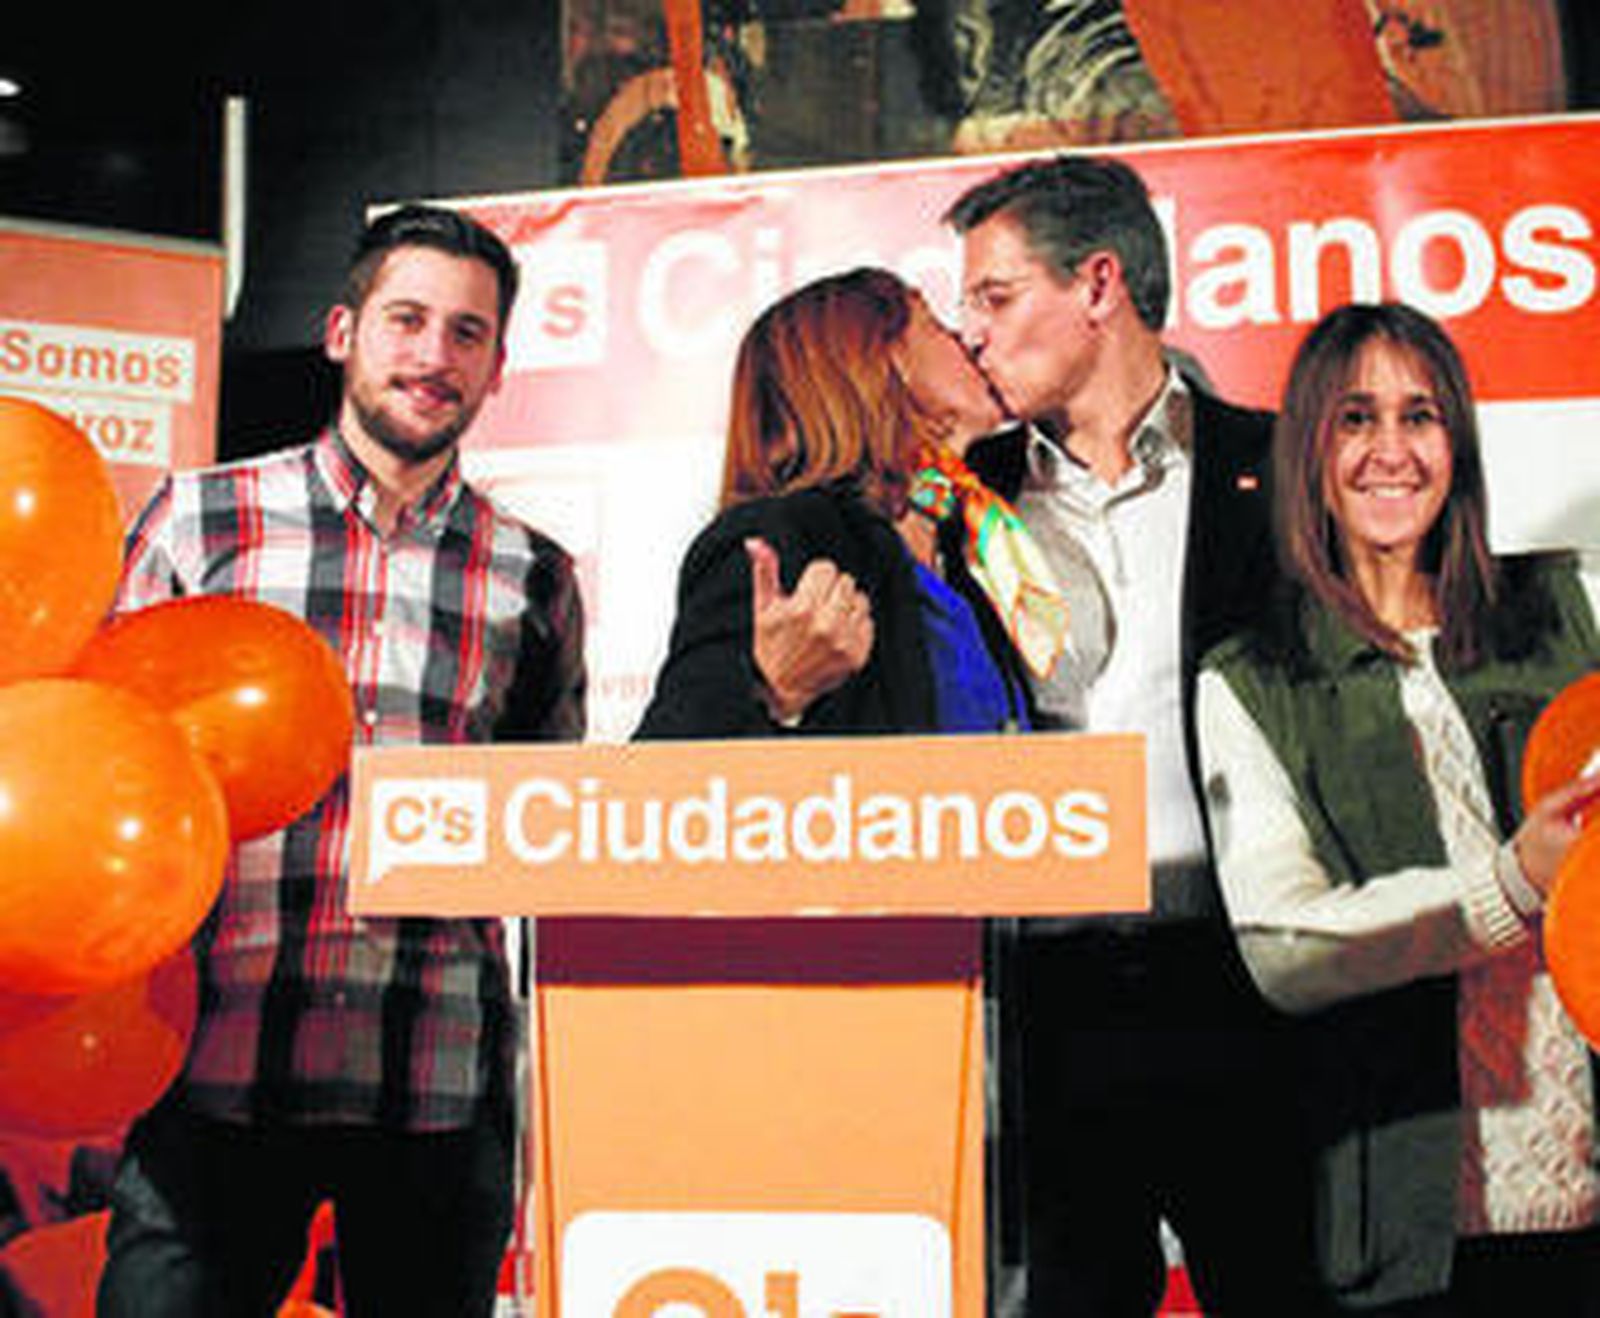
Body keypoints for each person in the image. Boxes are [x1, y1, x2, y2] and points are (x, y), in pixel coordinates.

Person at [96, 204, 586, 1316]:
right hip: (214, 1053)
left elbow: (544, 821)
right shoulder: (202, 519)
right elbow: (114, 763)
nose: (434, 354)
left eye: (468, 333)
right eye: (406, 319)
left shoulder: (533, 574)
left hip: (433, 1074)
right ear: (340, 333)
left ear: (499, 366)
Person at [944, 153, 1322, 1315]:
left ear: (1097, 283)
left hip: (1242, 975)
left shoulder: (1283, 465)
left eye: (996, 297)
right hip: (1041, 992)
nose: (969, 333)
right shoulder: (959, 494)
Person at [1198, 302, 1600, 1315]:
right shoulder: (1253, 680)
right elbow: (1285, 949)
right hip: (1408, 1237)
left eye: (1418, 416)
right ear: (1308, 453)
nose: (1390, 450)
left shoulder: (1565, 610)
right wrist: (1513, 884)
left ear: (1455, 442)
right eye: (1353, 419)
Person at [635, 264, 1064, 742]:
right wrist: (776, 694)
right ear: (888, 358)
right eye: (938, 327)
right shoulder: (783, 538)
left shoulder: (972, 547)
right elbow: (665, 776)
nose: (970, 342)